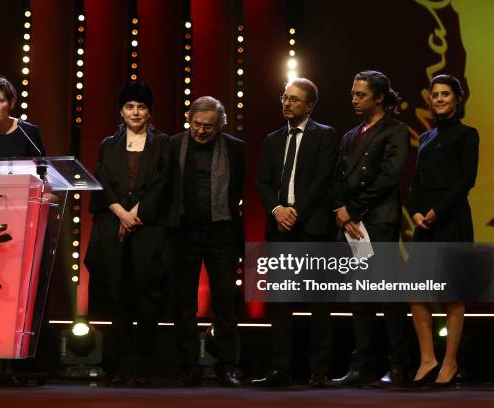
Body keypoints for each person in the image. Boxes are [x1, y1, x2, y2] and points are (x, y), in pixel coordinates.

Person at [84, 81, 171, 387]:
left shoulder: (163, 143)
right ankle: (120, 367)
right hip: (113, 227)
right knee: (118, 299)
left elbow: (164, 183)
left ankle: (144, 368)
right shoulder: (108, 144)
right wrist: (121, 212)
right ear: (120, 111)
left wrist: (137, 213)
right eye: (130, 107)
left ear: (150, 112)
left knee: (148, 301)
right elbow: (102, 182)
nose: (135, 112)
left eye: (142, 107)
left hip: (148, 228)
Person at [253, 78, 338, 387]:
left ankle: (319, 371)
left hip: (312, 229)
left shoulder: (325, 136)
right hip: (280, 230)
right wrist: (277, 210)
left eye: (294, 100)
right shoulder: (272, 140)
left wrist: (295, 210)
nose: (286, 104)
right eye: (284, 98)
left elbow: (322, 179)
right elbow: (262, 182)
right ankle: (279, 369)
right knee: (281, 303)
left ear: (310, 106)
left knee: (318, 303)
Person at [331, 70, 410, 387]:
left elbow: (389, 176)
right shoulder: (351, 135)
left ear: (379, 97)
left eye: (360, 94)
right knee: (360, 296)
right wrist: (342, 211)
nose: (354, 99)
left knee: (389, 296)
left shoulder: (395, 131)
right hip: (354, 223)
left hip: (379, 219)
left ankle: (400, 366)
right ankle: (361, 365)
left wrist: (353, 208)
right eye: (352, 94)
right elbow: (338, 176)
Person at [409, 74, 479, 387]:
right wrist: (416, 211)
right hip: (425, 223)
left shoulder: (467, 134)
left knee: (453, 294)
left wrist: (436, 212)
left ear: (457, 99)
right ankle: (428, 359)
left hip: (452, 220)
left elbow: (466, 180)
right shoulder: (425, 138)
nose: (438, 99)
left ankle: (450, 362)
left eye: (445, 94)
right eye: (435, 94)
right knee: (415, 292)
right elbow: (416, 181)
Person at [170, 96, 245, 387]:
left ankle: (227, 367)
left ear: (220, 126)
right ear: (189, 120)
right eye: (196, 124)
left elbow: (238, 188)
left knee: (225, 303)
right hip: (183, 233)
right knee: (184, 303)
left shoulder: (235, 148)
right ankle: (189, 367)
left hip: (222, 234)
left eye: (208, 127)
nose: (201, 131)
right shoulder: (174, 144)